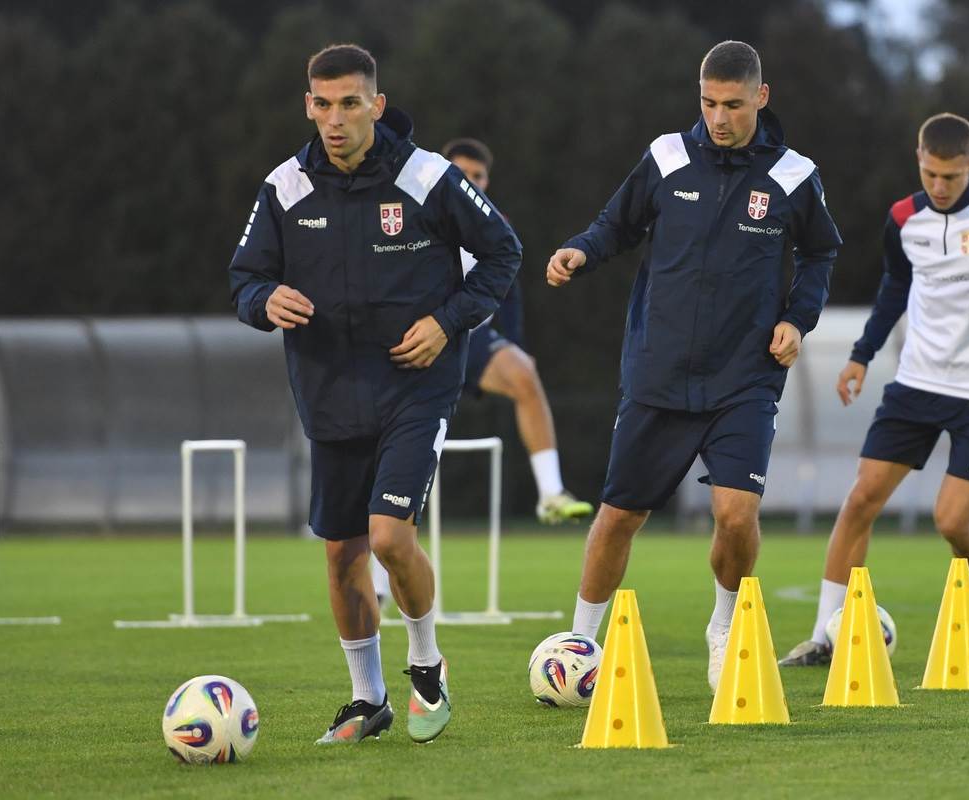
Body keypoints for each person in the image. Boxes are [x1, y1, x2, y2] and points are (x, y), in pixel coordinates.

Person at [229, 44, 521, 743]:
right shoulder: (285, 186)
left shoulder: (428, 176)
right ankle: (368, 699)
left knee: (389, 536)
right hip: (328, 392)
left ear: (376, 106)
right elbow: (244, 278)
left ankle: (426, 661)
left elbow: (503, 251)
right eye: (323, 105)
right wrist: (265, 300)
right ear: (308, 105)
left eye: (350, 104)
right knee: (341, 553)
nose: (335, 119)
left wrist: (447, 323)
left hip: (416, 388)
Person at [545, 41, 841, 692]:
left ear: (761, 97)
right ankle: (580, 645)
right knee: (619, 517)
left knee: (735, 514)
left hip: (745, 377)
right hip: (658, 371)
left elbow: (820, 254)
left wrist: (798, 318)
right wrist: (580, 252)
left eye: (732, 105)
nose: (718, 118)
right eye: (708, 103)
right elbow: (614, 226)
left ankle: (724, 627)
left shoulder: (794, 175)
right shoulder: (666, 157)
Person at [779, 112, 969, 667]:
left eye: (951, 177)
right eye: (930, 174)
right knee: (860, 500)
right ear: (919, 160)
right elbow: (895, 288)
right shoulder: (902, 218)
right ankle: (824, 637)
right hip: (916, 383)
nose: (939, 186)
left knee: (951, 521)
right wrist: (861, 356)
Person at [444, 138, 593, 526]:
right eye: (462, 173)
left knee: (524, 374)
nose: (471, 181)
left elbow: (508, 289)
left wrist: (516, 344)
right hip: (421, 335)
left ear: (487, 181)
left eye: (478, 175)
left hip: (471, 335)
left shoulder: (496, 224)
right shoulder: (417, 210)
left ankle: (550, 493)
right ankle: (371, 554)